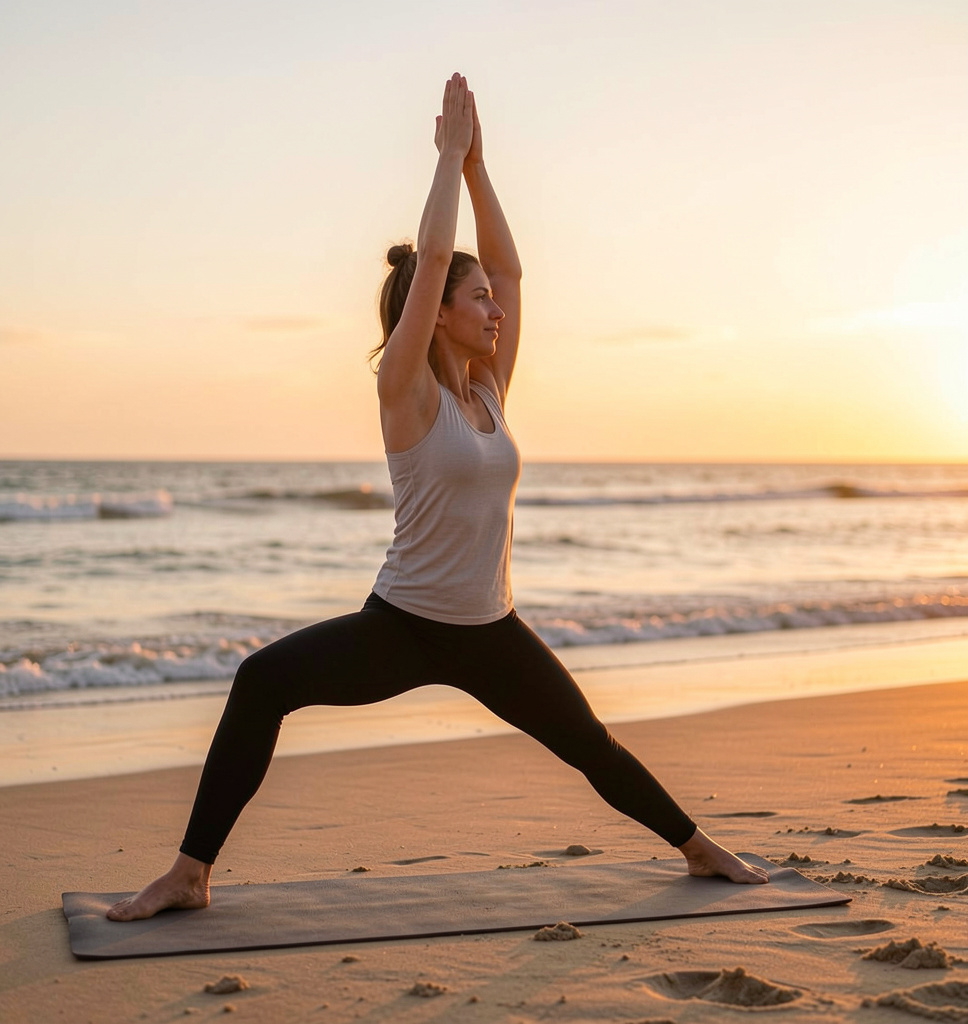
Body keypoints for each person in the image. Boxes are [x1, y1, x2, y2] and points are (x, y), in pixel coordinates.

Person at [107, 73, 768, 922]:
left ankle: (698, 847)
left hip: (492, 631)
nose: (494, 308)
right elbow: (427, 275)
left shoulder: (488, 393)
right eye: (476, 298)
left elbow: (515, 273)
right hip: (404, 627)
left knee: (588, 744)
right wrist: (446, 163)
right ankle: (190, 874)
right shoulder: (405, 392)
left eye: (491, 300)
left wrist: (481, 167)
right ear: (440, 314)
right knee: (259, 681)